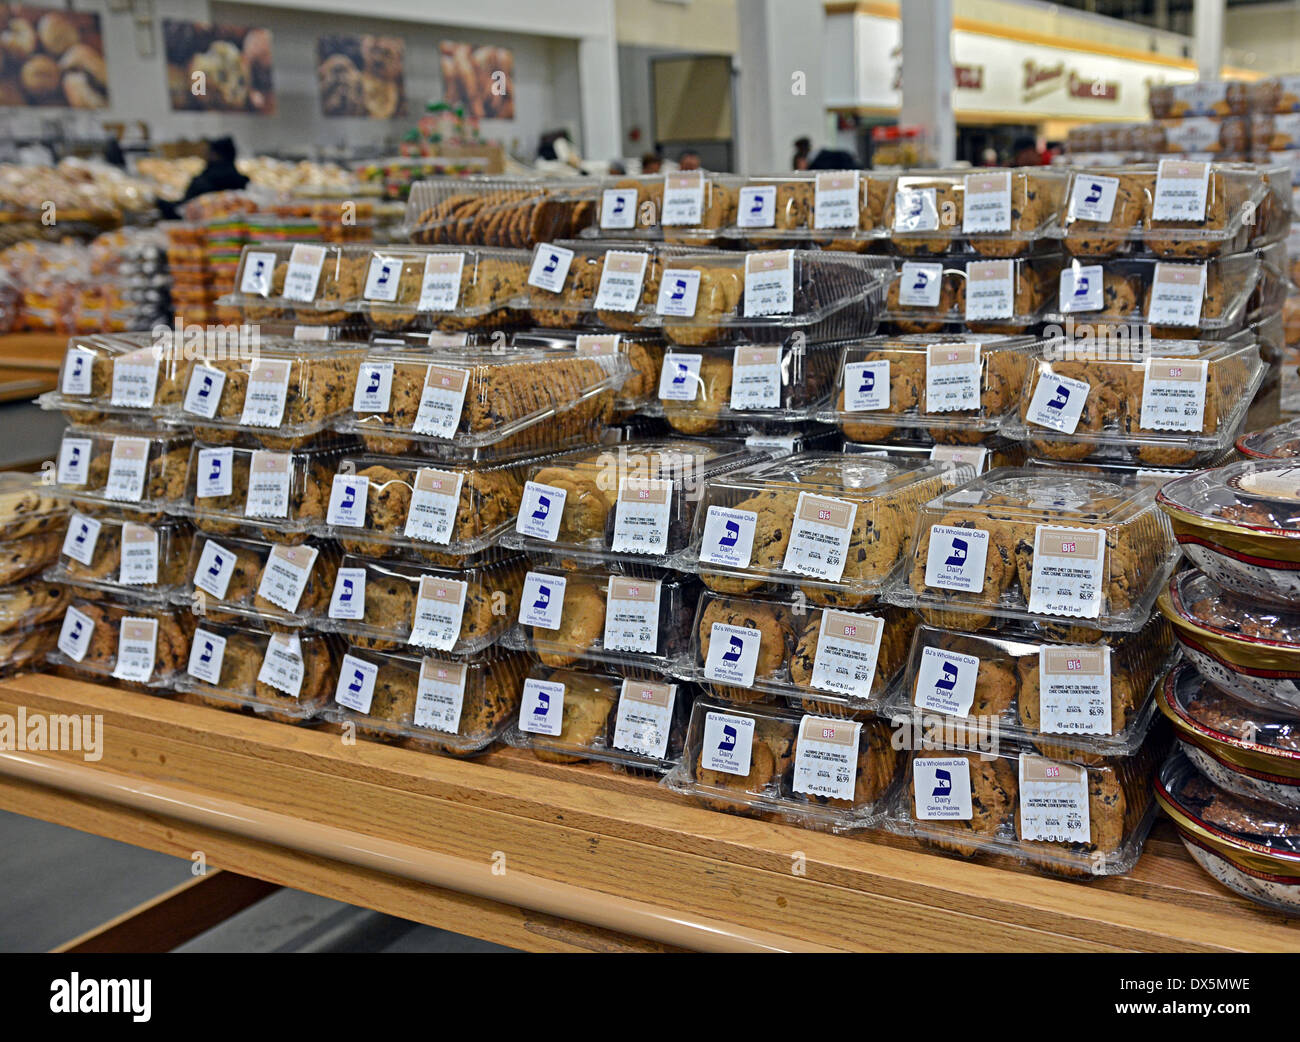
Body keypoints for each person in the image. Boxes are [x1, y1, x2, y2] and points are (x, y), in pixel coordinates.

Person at [160, 137, 249, 218]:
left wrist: (161, 203)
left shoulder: (204, 180)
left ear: (215, 154)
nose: (205, 156)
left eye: (209, 152)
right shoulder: (241, 179)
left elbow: (184, 209)